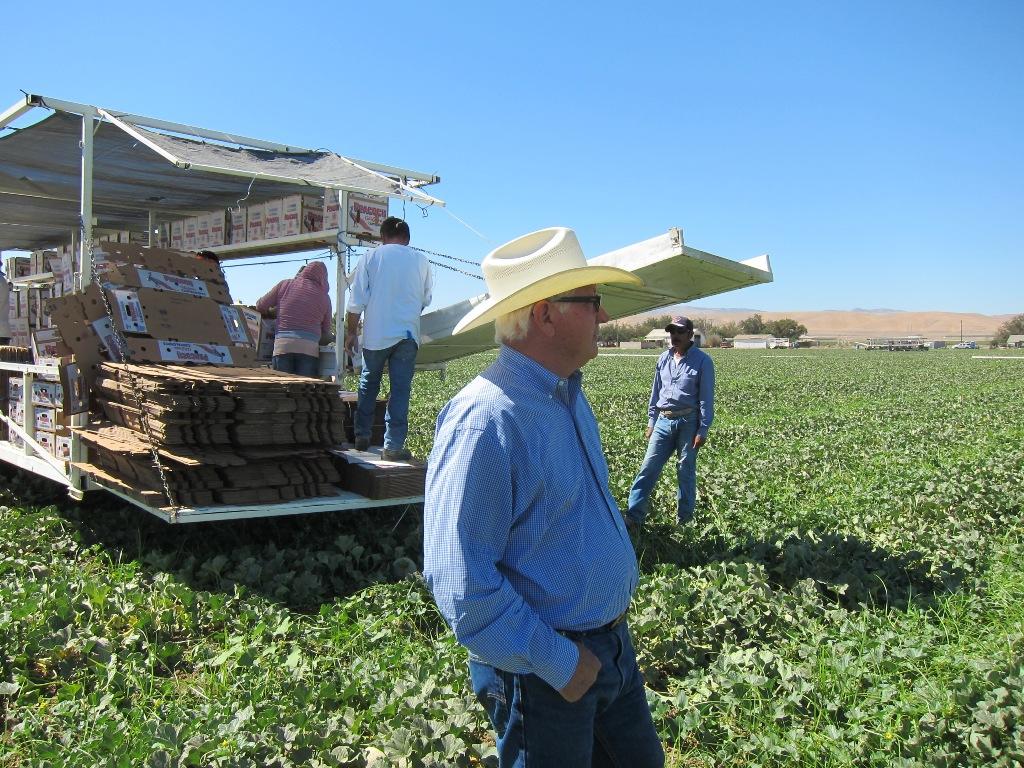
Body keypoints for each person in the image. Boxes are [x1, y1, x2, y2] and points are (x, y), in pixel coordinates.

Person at [423, 227, 664, 767]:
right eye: (592, 302)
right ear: (545, 313)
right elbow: (460, 582)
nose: (603, 316)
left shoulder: (567, 396)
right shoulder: (486, 420)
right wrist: (562, 662)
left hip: (611, 653)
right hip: (544, 675)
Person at [344, 217, 431, 461]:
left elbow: (357, 301)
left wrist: (352, 332)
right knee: (400, 390)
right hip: (407, 333)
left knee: (369, 382)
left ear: (382, 237)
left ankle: (361, 437)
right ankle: (392, 447)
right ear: (408, 238)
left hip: (376, 333)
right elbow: (425, 299)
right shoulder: (421, 260)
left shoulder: (372, 257)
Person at [625, 315, 715, 530]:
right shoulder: (663, 359)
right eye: (672, 332)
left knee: (685, 470)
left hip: (689, 421)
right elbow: (655, 392)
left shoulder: (703, 361)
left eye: (679, 332)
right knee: (648, 467)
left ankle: (684, 521)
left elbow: (705, 398)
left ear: (690, 335)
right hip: (663, 421)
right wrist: (651, 420)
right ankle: (633, 516)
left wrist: (703, 428)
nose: (675, 336)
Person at [255, 260, 332, 377]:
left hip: (283, 347)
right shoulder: (325, 298)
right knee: (303, 391)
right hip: (309, 349)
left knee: (283, 391)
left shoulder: (285, 285)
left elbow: (260, 305)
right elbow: (326, 329)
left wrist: (275, 311)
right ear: (324, 277)